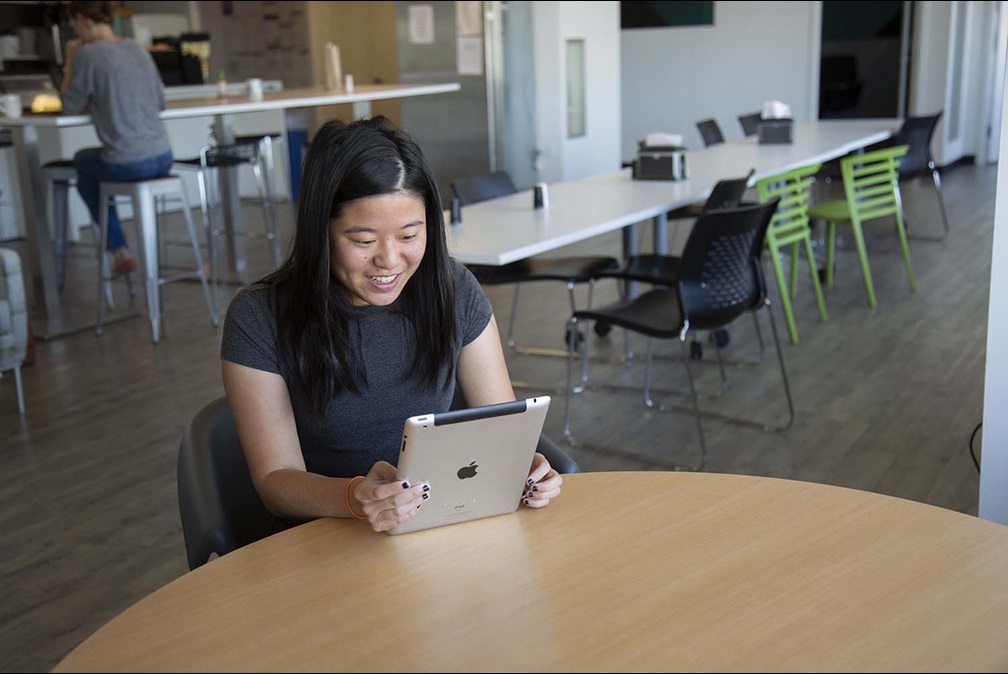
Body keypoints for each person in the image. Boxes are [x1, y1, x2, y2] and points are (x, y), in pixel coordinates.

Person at [220, 116, 563, 533]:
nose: (389, 260)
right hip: (325, 539)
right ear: (320, 233)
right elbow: (275, 482)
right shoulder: (260, 316)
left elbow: (501, 426)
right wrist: (355, 497)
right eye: (363, 241)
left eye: (408, 236)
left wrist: (524, 466)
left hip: (444, 526)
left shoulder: (453, 289)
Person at [60, 0, 173, 275]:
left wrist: (72, 56)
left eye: (72, 23)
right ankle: (116, 241)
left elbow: (69, 105)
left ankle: (118, 246)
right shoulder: (136, 47)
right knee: (95, 168)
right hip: (163, 157)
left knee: (82, 163)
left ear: (82, 19)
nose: (73, 30)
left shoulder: (88, 54)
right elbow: (160, 102)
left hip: (128, 162)